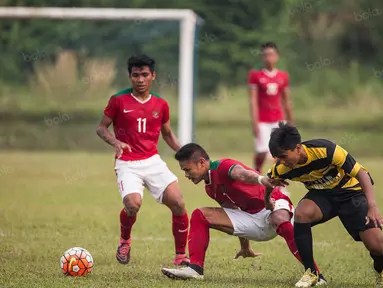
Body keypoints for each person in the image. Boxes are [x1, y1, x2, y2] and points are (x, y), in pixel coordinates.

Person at [160, 143, 326, 286]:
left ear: (201, 162)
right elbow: (235, 213)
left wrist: (262, 180)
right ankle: (195, 269)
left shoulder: (223, 166)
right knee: (200, 214)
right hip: (253, 221)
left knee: (279, 218)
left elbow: (242, 174)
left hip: (273, 204)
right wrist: (245, 247)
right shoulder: (210, 188)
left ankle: (316, 275)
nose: (186, 175)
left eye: (187, 170)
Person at [96, 54, 189, 266]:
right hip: (127, 162)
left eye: (144, 75)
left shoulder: (161, 104)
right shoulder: (118, 100)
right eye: (135, 75)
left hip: (152, 160)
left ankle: (181, 257)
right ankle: (125, 240)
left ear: (153, 76)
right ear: (130, 76)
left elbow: (167, 134)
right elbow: (101, 128)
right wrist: (115, 142)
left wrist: (187, 152)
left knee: (178, 203)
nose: (140, 79)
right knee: (133, 204)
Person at [266, 121, 383, 287]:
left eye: (284, 156)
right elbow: (269, 182)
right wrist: (267, 201)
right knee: (301, 213)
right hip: (323, 196)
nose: (281, 161)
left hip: (351, 193)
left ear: (298, 148)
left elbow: (361, 174)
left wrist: (372, 206)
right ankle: (312, 273)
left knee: (377, 246)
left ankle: (380, 268)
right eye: (278, 158)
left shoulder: (327, 150)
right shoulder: (282, 168)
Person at [248, 42, 293, 175]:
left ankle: (278, 182)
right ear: (262, 57)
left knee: (280, 153)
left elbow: (286, 100)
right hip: (262, 120)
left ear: (277, 56)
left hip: (278, 119)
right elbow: (253, 101)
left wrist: (290, 121)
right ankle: (256, 173)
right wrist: (255, 123)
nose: (269, 57)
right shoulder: (256, 76)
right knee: (262, 151)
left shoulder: (283, 76)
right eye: (266, 55)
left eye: (271, 54)